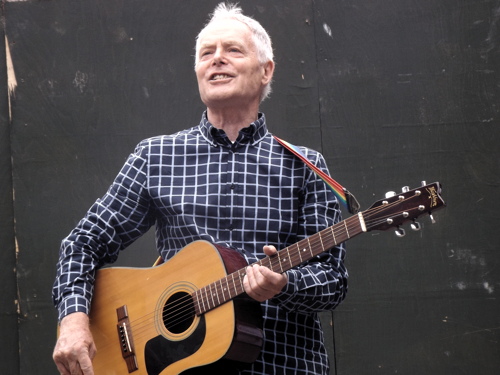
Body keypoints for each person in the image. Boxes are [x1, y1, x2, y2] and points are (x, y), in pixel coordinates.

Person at [52, 3, 348, 374]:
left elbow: (333, 281)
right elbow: (82, 243)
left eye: (233, 50)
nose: (217, 60)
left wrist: (284, 283)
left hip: (281, 365)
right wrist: (73, 320)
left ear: (266, 71)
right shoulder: (156, 156)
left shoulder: (305, 166)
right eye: (207, 53)